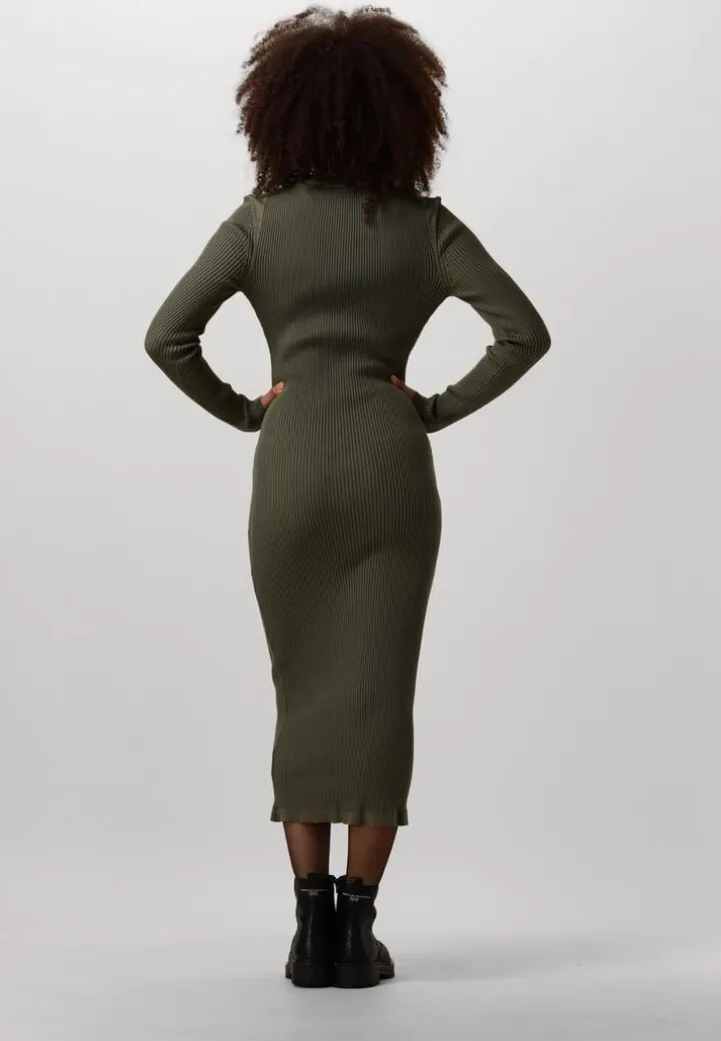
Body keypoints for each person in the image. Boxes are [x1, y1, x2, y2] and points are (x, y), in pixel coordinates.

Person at [144, 4, 551, 989]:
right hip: (389, 473)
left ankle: (307, 929)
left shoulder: (258, 225)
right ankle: (355, 932)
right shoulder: (425, 227)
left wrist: (248, 411)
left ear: (277, 115)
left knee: (302, 692)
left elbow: (167, 336)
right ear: (401, 118)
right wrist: (433, 409)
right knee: (377, 696)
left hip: (289, 472)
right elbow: (524, 332)